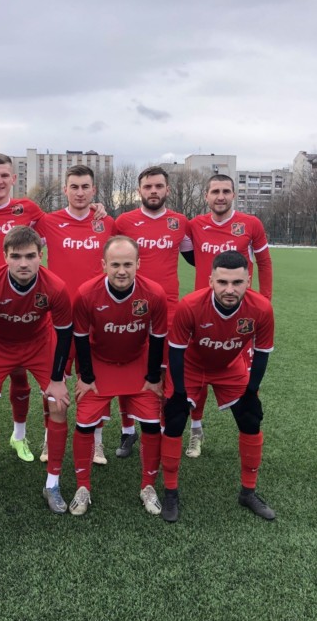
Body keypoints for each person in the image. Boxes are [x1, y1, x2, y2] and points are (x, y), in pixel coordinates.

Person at [0, 154, 105, 463]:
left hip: (26, 303)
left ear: (13, 179)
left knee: (22, 375)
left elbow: (65, 223)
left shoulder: (30, 210)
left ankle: (19, 436)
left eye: (4, 175)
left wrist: (94, 208)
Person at [160, 250, 275, 523]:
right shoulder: (191, 305)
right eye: (222, 282)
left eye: (237, 282)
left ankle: (248, 492)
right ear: (211, 280)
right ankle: (170, 492)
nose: (229, 289)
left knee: (251, 418)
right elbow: (176, 351)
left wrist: (252, 391)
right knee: (174, 419)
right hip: (191, 365)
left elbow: (262, 354)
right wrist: (178, 392)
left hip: (229, 367)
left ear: (248, 281)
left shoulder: (261, 309)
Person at [0, 226, 72, 515]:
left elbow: (64, 335)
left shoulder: (56, 287)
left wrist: (57, 379)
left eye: (29, 256)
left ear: (41, 256)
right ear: (5, 257)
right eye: (15, 256)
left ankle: (52, 484)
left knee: (59, 403)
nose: (23, 263)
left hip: (39, 344)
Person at [70, 236, 168, 516]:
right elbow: (80, 338)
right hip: (100, 364)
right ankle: (82, 487)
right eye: (115, 265)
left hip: (137, 364)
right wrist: (86, 377)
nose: (121, 271)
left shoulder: (154, 294)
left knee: (152, 425)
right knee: (84, 425)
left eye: (127, 264)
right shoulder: (86, 293)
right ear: (104, 265)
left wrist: (153, 377)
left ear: (138, 264)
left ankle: (148, 486)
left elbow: (157, 337)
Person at [185, 174, 273, 458]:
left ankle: (248, 431)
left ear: (234, 194)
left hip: (240, 315)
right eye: (215, 191)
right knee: (197, 375)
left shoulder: (251, 224)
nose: (220, 196)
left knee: (245, 377)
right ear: (206, 196)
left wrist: (265, 301)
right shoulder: (194, 225)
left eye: (225, 191)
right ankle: (195, 430)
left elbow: (264, 262)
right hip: (202, 314)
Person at [35, 164, 115, 465]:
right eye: (74, 187)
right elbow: (20, 243)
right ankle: (48, 437)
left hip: (96, 319)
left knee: (95, 381)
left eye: (85, 187)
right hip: (57, 318)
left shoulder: (107, 223)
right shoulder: (48, 222)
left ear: (94, 190)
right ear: (65, 190)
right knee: (52, 380)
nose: (80, 193)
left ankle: (97, 442)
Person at [115, 166, 194, 458]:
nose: (153, 191)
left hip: (168, 310)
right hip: (128, 308)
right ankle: (127, 431)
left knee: (163, 371)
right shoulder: (123, 222)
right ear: (139, 190)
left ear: (167, 190)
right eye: (148, 186)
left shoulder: (180, 223)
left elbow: (198, 258)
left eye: (158, 186)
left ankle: (160, 428)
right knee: (126, 368)